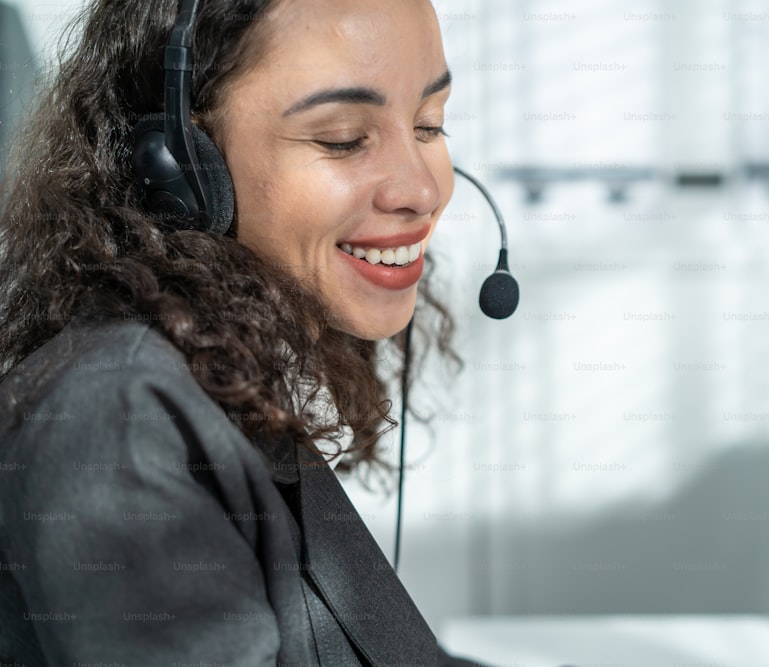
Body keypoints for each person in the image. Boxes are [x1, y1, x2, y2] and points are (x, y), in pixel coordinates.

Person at [0, 0, 486, 664]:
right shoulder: (121, 418)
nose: (423, 190)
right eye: (343, 136)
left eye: (429, 125)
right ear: (181, 165)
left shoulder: (239, 375)